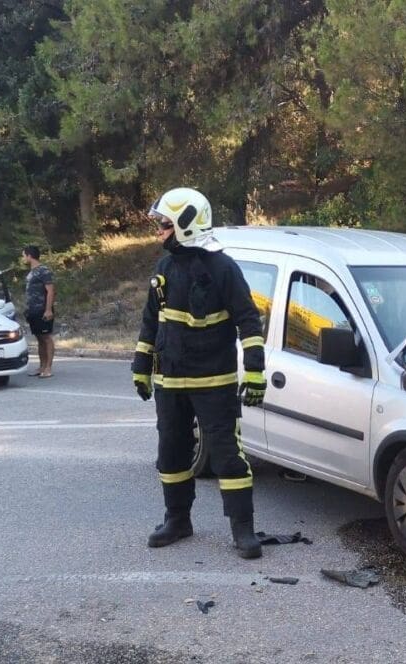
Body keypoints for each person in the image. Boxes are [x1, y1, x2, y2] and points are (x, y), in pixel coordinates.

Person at [131, 187, 267, 559]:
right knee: (171, 452)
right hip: (171, 382)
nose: (159, 230)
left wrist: (255, 371)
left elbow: (248, 321)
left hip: (215, 382)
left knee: (228, 456)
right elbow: (150, 322)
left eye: (164, 223)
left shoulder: (223, 268)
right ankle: (178, 520)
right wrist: (142, 366)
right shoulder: (164, 268)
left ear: (186, 224)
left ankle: (242, 530)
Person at [22, 245, 56, 378]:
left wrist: (48, 309)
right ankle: (41, 366)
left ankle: (48, 368)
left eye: (24, 255)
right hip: (33, 310)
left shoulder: (43, 270)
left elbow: (50, 291)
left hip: (42, 309)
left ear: (29, 255)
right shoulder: (32, 271)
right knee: (39, 338)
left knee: (46, 338)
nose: (23, 258)